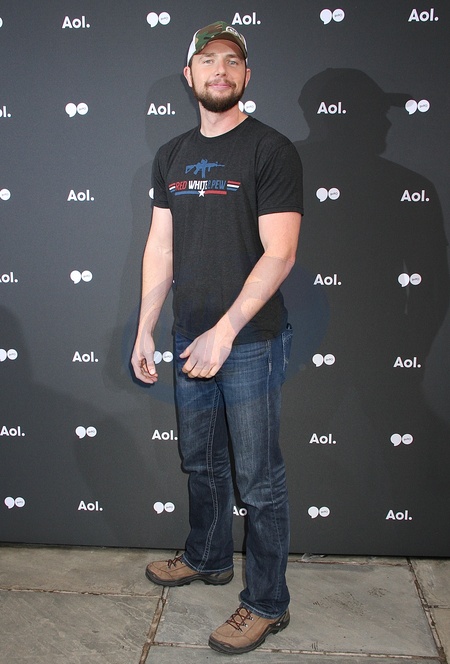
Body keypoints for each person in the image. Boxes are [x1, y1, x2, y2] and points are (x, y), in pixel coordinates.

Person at [131, 20, 303, 655]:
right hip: (188, 333)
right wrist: (146, 328)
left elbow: (280, 253)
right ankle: (207, 556)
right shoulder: (172, 154)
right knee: (201, 461)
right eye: (207, 60)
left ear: (246, 75)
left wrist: (225, 332)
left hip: (249, 338)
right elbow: (160, 246)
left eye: (232, 60)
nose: (220, 70)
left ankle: (267, 603)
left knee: (258, 480)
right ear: (190, 75)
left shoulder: (271, 150)